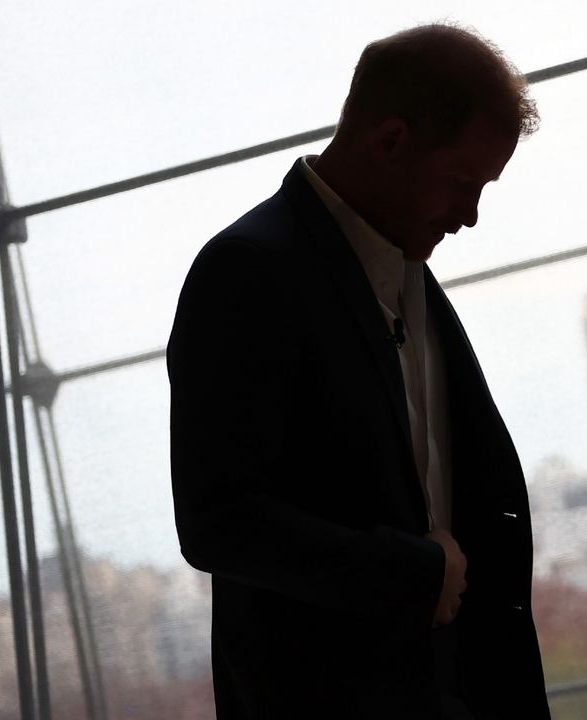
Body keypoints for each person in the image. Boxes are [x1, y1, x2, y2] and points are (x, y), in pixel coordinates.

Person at [167, 22, 548, 719]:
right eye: (462, 184)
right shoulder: (247, 271)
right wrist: (415, 575)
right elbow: (217, 520)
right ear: (392, 141)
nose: (469, 217)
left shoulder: (404, 267)